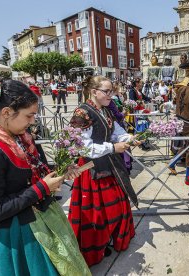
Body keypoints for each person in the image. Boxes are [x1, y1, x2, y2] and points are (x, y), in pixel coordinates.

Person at [0, 73, 90, 275]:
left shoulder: (21, 138)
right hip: (16, 240)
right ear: (6, 112)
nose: (33, 120)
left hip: (41, 224)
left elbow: (36, 171)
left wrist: (61, 173)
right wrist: (42, 188)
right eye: (29, 115)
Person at [68, 76, 138, 266]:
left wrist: (129, 138)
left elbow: (116, 131)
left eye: (112, 91)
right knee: (97, 213)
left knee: (118, 204)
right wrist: (113, 148)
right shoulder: (82, 113)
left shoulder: (105, 110)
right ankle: (97, 246)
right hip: (91, 169)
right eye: (107, 91)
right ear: (94, 91)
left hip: (109, 164)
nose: (111, 95)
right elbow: (82, 147)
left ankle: (111, 237)